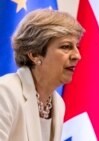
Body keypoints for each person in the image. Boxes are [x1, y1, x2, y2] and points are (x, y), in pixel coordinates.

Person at [0, 8, 84, 141]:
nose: (77, 56)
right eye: (66, 47)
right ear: (35, 54)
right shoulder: (5, 92)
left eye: (77, 47)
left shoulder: (58, 103)